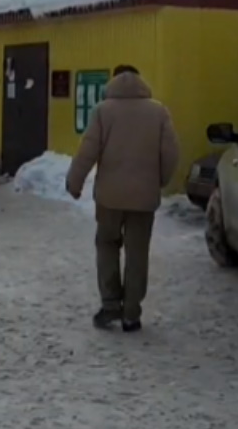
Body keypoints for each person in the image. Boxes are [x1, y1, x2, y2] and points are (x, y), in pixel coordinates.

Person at [64, 64, 180, 332]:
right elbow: (171, 152)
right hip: (144, 198)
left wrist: (75, 181)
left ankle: (110, 304)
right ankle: (131, 313)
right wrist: (159, 179)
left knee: (107, 246)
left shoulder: (103, 111)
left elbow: (87, 150)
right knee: (137, 253)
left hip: (109, 198)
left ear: (113, 82)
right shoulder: (158, 112)